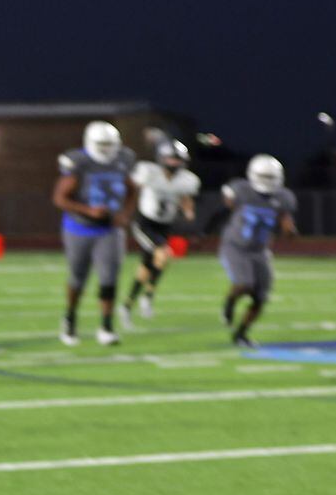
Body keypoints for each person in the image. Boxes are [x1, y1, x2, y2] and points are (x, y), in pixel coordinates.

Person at [52, 121, 138, 346]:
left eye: (109, 144)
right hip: (79, 228)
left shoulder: (123, 159)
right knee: (77, 279)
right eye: (101, 144)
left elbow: (132, 189)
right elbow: (60, 198)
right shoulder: (78, 162)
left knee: (109, 279)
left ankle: (106, 327)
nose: (105, 148)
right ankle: (70, 318)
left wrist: (126, 214)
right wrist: (87, 210)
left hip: (109, 229)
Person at [219, 154, 297, 348]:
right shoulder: (241, 190)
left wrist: (290, 230)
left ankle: (241, 334)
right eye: (264, 177)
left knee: (261, 297)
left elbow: (286, 222)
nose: (267, 182)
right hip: (236, 247)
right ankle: (229, 302)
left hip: (260, 251)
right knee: (244, 284)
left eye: (271, 178)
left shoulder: (283, 197)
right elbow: (227, 199)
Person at [124, 139, 200, 321]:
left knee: (147, 265)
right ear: (162, 158)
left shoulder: (187, 180)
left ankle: (127, 304)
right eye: (171, 158)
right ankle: (147, 297)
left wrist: (188, 210)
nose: (174, 163)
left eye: (178, 159)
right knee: (164, 254)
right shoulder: (149, 172)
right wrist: (126, 210)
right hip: (145, 222)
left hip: (164, 225)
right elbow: (132, 189)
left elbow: (185, 197)